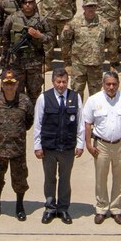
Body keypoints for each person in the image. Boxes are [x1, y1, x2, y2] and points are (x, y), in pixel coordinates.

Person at [80, 69, 121, 224]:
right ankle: (101, 208)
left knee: (120, 178)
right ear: (103, 84)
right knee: (101, 178)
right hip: (101, 145)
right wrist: (89, 145)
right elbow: (87, 124)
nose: (111, 87)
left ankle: (116, 209)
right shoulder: (93, 100)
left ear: (118, 84)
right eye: (108, 84)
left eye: (114, 84)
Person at [32, 66, 84, 223]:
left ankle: (63, 208)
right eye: (58, 82)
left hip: (67, 146)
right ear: (52, 81)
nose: (61, 85)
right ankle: (50, 207)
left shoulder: (75, 97)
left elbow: (80, 123)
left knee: (65, 179)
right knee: (49, 178)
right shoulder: (44, 98)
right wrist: (37, 146)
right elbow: (38, 123)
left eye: (64, 82)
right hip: (49, 146)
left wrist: (80, 144)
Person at [0, 70, 34, 221]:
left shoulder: (25, 101)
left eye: (12, 84)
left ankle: (19, 205)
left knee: (20, 180)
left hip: (17, 149)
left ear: (17, 84)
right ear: (1, 84)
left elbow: (29, 121)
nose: (9, 87)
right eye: (6, 84)